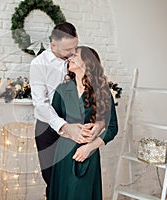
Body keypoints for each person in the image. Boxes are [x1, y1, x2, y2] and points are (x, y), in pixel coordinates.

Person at [30, 22, 104, 197]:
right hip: (49, 128)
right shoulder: (38, 64)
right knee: (53, 181)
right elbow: (41, 104)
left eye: (75, 47)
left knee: (75, 182)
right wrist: (64, 127)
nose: (73, 53)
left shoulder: (75, 60)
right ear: (53, 44)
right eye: (67, 50)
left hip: (78, 126)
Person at [48, 46, 118, 200]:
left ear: (88, 62)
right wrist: (67, 129)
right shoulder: (62, 89)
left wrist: (89, 148)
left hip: (86, 154)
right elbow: (53, 123)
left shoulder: (102, 91)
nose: (69, 58)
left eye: (74, 55)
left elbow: (112, 128)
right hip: (63, 155)